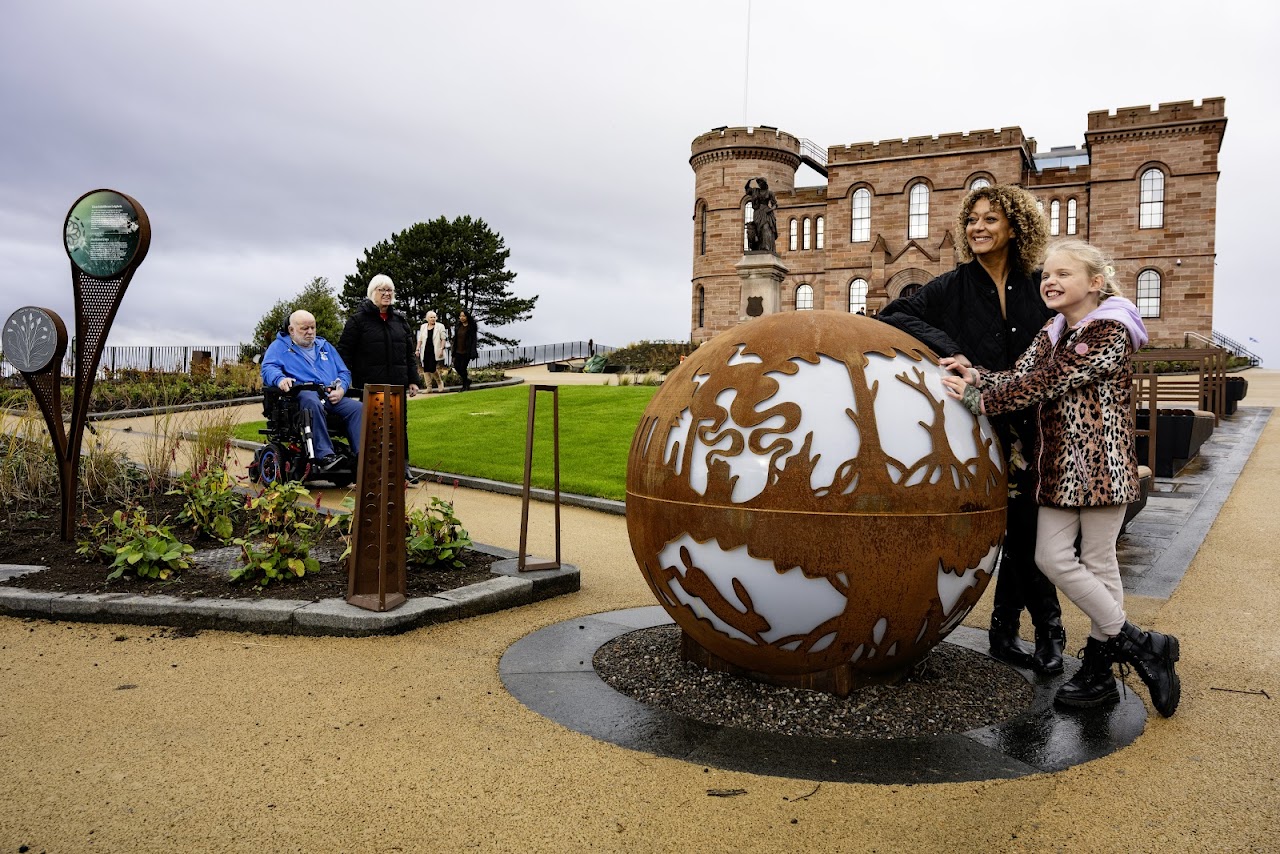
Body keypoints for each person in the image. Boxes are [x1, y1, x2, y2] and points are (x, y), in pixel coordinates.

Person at [941, 239, 1181, 717]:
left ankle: (1099, 670)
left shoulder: (1109, 331)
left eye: (1063, 274)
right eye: (1047, 274)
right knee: (1052, 558)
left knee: (1096, 562)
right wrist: (973, 374)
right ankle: (1138, 643)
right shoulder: (1053, 330)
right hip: (1058, 468)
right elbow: (1017, 374)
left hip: (1101, 467)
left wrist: (977, 402)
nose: (1050, 281)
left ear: (1095, 283)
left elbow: (1045, 384)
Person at [879, 184, 1064, 674]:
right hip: (980, 421)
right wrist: (950, 349)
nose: (978, 228)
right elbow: (895, 313)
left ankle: (1032, 630)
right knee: (1001, 526)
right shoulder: (954, 284)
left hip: (1033, 424)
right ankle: (1024, 629)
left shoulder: (1036, 283)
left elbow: (1078, 318)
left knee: (1027, 530)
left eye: (991, 219)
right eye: (972, 220)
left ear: (1014, 227)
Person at [338, 274, 424, 481]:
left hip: (397, 383)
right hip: (371, 383)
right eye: (381, 290)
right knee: (373, 426)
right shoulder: (358, 321)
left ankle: (402, 467)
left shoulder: (400, 321)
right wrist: (343, 380)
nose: (386, 294)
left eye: (389, 290)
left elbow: (407, 354)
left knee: (398, 425)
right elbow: (344, 352)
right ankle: (374, 467)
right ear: (372, 293)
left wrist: (413, 380)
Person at [260, 309, 362, 472]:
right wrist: (280, 379)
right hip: (300, 396)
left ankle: (362, 458)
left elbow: (343, 372)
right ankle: (325, 455)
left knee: (358, 408)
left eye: (313, 328)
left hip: (329, 395)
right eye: (304, 328)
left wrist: (341, 389)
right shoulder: (279, 347)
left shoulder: (325, 346)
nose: (310, 332)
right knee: (310, 400)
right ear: (291, 330)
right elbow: (268, 368)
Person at [744, 178, 778, 253]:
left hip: (766, 213)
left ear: (765, 183)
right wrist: (749, 181)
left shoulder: (770, 193)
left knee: (766, 228)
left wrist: (770, 210)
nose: (760, 184)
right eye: (759, 183)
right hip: (757, 212)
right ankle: (757, 247)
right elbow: (747, 189)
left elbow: (775, 204)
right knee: (757, 230)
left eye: (761, 183)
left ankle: (766, 247)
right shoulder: (755, 191)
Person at [416, 310, 448, 392]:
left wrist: (442, 349)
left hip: (435, 350)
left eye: (434, 317)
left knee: (432, 367)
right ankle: (429, 387)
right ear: (427, 318)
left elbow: (443, 339)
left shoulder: (440, 326)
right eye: (431, 317)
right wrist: (417, 349)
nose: (433, 319)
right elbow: (420, 339)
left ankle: (439, 382)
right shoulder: (423, 326)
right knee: (426, 369)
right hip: (425, 350)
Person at [452, 308, 479, 391]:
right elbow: (455, 339)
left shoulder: (471, 327)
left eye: (463, 316)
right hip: (458, 351)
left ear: (467, 317)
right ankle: (467, 381)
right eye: (460, 316)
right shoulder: (458, 326)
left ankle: (465, 386)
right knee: (457, 367)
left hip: (466, 351)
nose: (462, 318)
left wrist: (473, 351)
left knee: (463, 368)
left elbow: (474, 340)